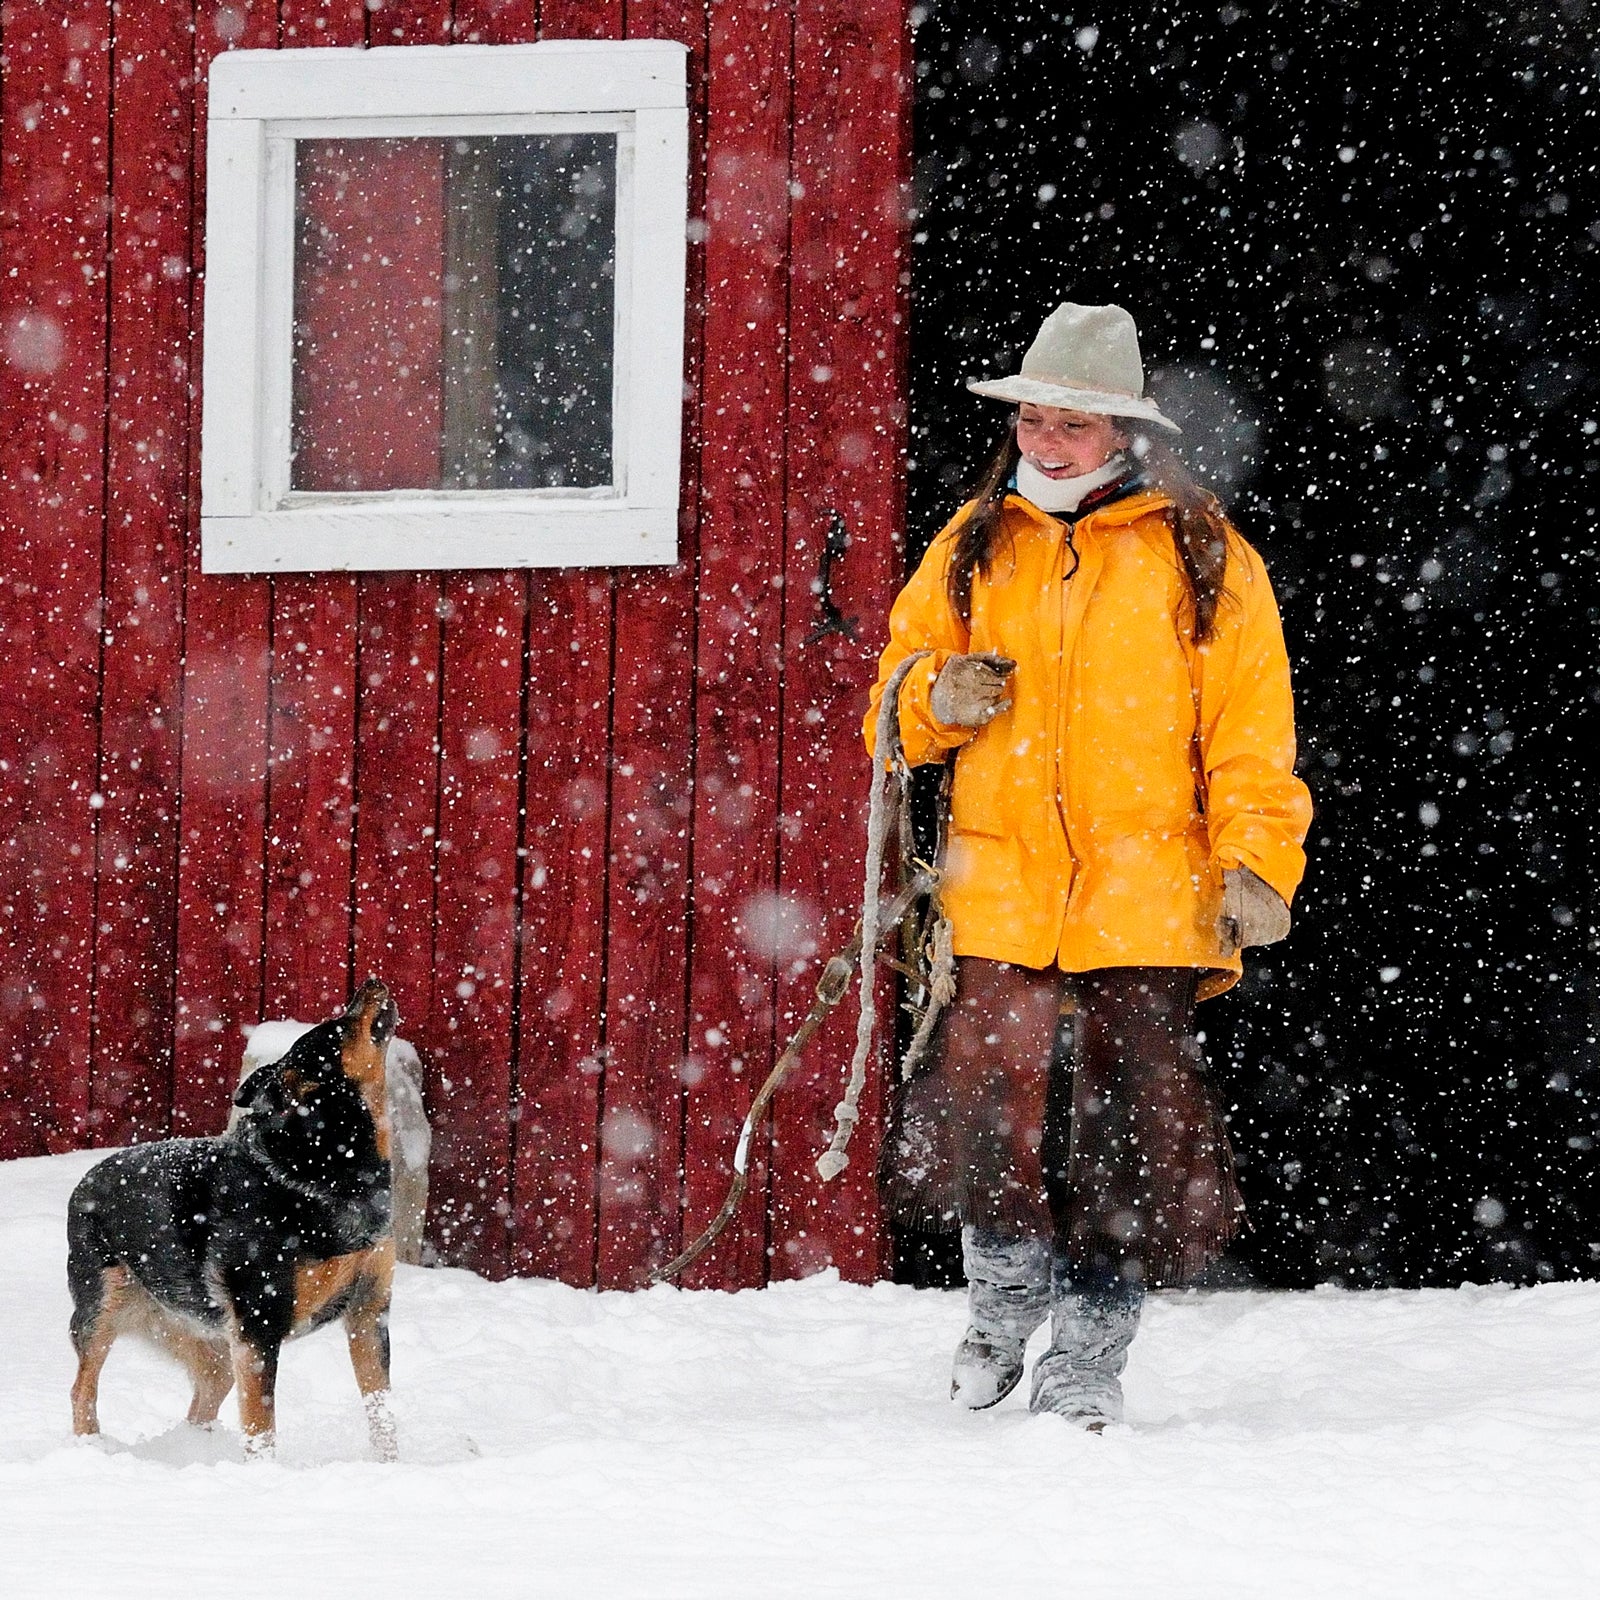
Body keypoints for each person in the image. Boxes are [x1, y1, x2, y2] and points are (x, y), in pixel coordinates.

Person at [866, 301, 1313, 1427]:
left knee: (1122, 1132)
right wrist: (933, 695)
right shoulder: (974, 542)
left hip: (1148, 892)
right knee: (988, 1116)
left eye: (1072, 423)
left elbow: (1253, 732)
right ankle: (1002, 1308)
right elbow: (890, 699)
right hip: (1000, 887)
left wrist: (1257, 859)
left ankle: (1087, 1362)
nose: (1046, 442)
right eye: (1033, 419)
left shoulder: (1204, 557)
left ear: (1122, 433)